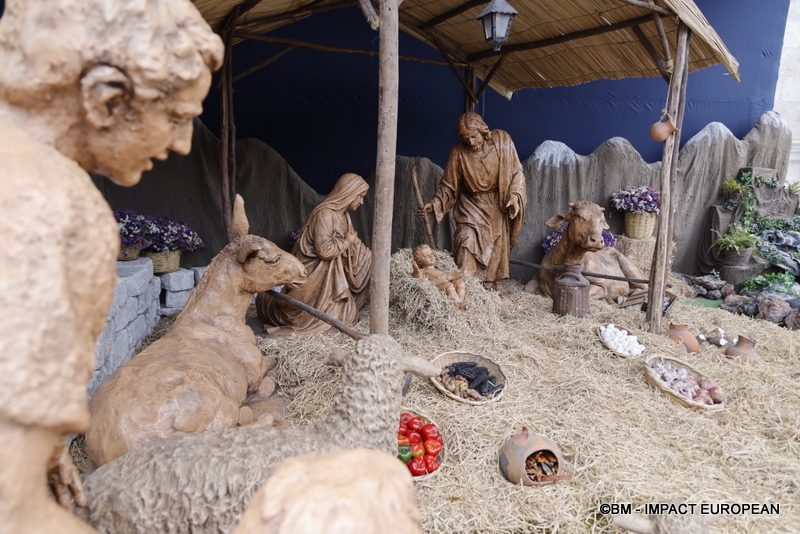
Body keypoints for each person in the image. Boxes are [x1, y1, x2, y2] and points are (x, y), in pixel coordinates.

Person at [0, 1, 223, 532]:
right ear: (105, 98)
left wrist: (46, 446)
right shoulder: (38, 202)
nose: (182, 143)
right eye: (176, 118)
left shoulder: (53, 190)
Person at [418, 112, 526, 295]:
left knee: (497, 245)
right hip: (470, 206)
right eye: (465, 139)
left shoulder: (502, 141)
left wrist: (515, 196)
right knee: (466, 240)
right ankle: (468, 287)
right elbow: (449, 186)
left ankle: (494, 286)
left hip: (497, 204)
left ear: (483, 130)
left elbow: (517, 172)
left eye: (474, 136)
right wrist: (435, 203)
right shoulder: (458, 153)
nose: (471, 142)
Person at [257, 173, 372, 335]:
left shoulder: (344, 216)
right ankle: (267, 302)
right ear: (349, 192)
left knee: (348, 316)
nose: (361, 202)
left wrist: (372, 259)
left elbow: (355, 245)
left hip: (332, 278)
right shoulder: (325, 214)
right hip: (314, 275)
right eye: (360, 196)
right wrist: (346, 242)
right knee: (302, 316)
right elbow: (324, 251)